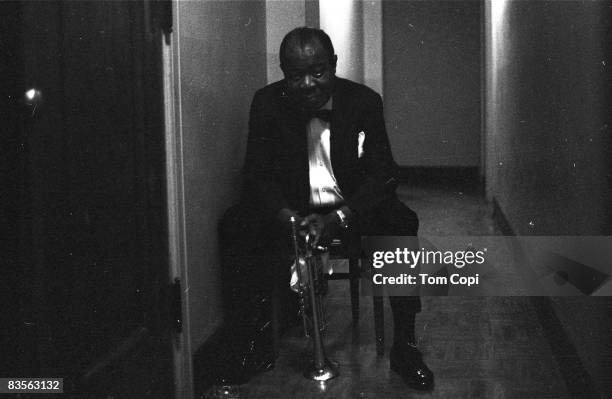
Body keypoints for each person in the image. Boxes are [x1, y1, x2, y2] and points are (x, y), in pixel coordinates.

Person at [226, 26, 434, 391]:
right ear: (282, 71)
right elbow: (256, 175)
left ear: (334, 65)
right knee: (234, 224)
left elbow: (383, 174)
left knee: (399, 223)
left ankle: (406, 345)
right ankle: (252, 346)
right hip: (294, 211)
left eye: (318, 72)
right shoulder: (266, 102)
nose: (307, 84)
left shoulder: (364, 102)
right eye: (296, 75)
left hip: (348, 210)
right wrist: (287, 217)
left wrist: (338, 218)